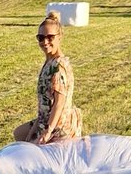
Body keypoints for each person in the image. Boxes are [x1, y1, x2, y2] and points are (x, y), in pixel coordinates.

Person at [12, 9, 83, 144]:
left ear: (59, 37)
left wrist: (48, 131)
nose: (45, 42)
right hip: (45, 119)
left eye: (50, 37)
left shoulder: (58, 67)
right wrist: (35, 126)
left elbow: (59, 103)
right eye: (41, 38)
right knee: (19, 134)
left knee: (31, 153)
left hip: (58, 126)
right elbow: (46, 102)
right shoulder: (50, 62)